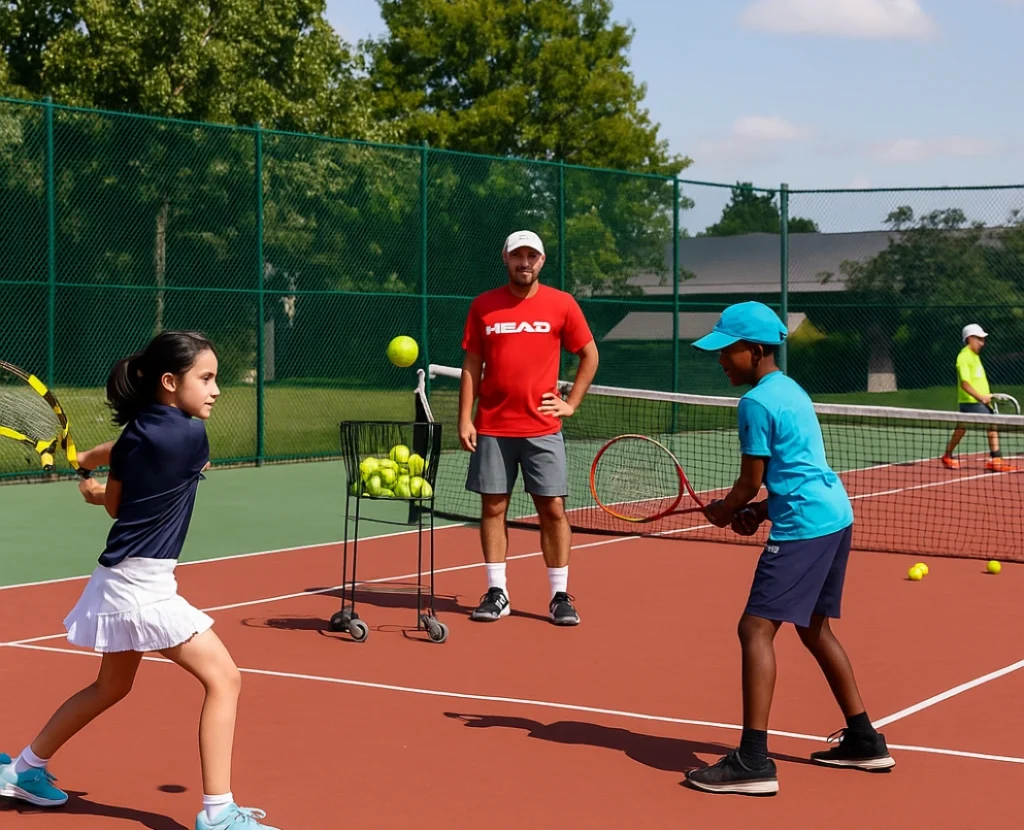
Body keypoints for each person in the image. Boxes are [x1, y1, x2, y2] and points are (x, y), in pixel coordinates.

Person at [0, 331, 280, 830]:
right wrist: (97, 470)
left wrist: (91, 469)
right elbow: (133, 477)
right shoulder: (191, 436)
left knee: (111, 686)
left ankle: (24, 769)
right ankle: (218, 814)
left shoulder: (138, 433)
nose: (216, 390)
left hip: (119, 575)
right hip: (141, 585)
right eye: (207, 378)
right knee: (225, 679)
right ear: (170, 383)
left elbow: (114, 502)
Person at [683, 302, 894, 796]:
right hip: (833, 516)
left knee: (754, 628)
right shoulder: (790, 389)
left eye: (726, 351)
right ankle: (865, 739)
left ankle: (753, 760)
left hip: (804, 525)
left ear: (755, 351)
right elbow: (795, 470)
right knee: (814, 629)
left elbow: (747, 482)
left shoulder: (755, 403)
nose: (720, 361)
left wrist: (727, 509)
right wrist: (758, 511)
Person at [458, 230, 599, 625]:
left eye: (531, 256)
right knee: (494, 506)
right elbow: (472, 366)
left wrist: (571, 403)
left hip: (542, 428)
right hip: (493, 427)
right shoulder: (483, 306)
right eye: (517, 255)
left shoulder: (562, 304)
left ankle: (559, 596)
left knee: (552, 509)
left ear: (542, 261)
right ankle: (497, 591)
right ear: (505, 258)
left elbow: (589, 354)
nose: (525, 262)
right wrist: (464, 418)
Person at [941, 323, 1011, 473]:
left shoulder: (975, 357)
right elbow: (965, 384)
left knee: (961, 428)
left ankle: (947, 455)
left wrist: (988, 396)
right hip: (973, 401)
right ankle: (996, 459)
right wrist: (981, 398)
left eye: (983, 339)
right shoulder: (963, 357)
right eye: (979, 339)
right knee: (992, 425)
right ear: (970, 338)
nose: (982, 343)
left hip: (977, 400)